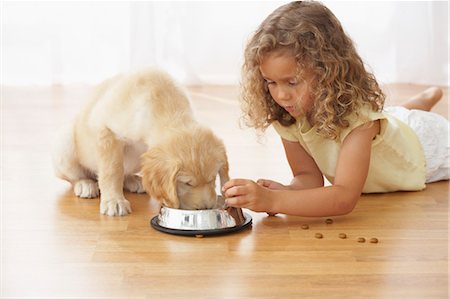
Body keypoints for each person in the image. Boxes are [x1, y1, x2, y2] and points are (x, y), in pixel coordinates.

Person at [222, 1, 449, 217]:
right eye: (271, 82)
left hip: (424, 150)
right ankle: (423, 100)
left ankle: (423, 104)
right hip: (391, 134)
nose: (280, 95)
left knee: (400, 121)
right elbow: (307, 177)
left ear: (327, 73)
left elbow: (344, 197)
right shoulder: (289, 112)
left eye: (292, 82)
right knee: (393, 118)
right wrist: (285, 192)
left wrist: (272, 201)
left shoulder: (361, 121)